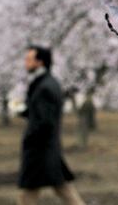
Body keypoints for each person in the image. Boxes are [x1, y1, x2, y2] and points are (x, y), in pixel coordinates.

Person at [18, 45, 86, 205]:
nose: (25, 63)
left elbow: (45, 121)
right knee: (62, 189)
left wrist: (31, 138)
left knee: (28, 194)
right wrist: (25, 111)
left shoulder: (45, 87)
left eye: (29, 59)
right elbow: (41, 113)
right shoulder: (45, 83)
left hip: (40, 150)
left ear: (40, 62)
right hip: (46, 150)